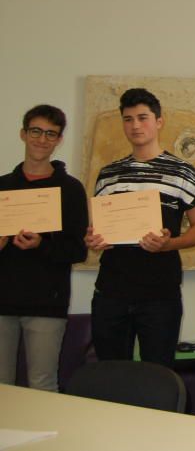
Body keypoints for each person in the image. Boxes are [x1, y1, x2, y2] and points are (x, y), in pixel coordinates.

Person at [85, 88, 195, 367]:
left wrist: (170, 244)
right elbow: (95, 230)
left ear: (159, 121)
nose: (135, 126)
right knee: (111, 376)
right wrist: (93, 239)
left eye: (143, 117)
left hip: (159, 294)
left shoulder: (182, 172)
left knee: (158, 375)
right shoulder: (108, 174)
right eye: (128, 119)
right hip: (111, 291)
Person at [0, 105, 88, 390]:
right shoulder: (2, 187)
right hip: (2, 300)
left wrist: (42, 244)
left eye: (51, 134)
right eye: (36, 131)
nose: (42, 139)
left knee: (42, 385)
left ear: (59, 140)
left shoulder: (71, 189)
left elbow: (78, 251)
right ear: (23, 134)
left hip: (47, 304)